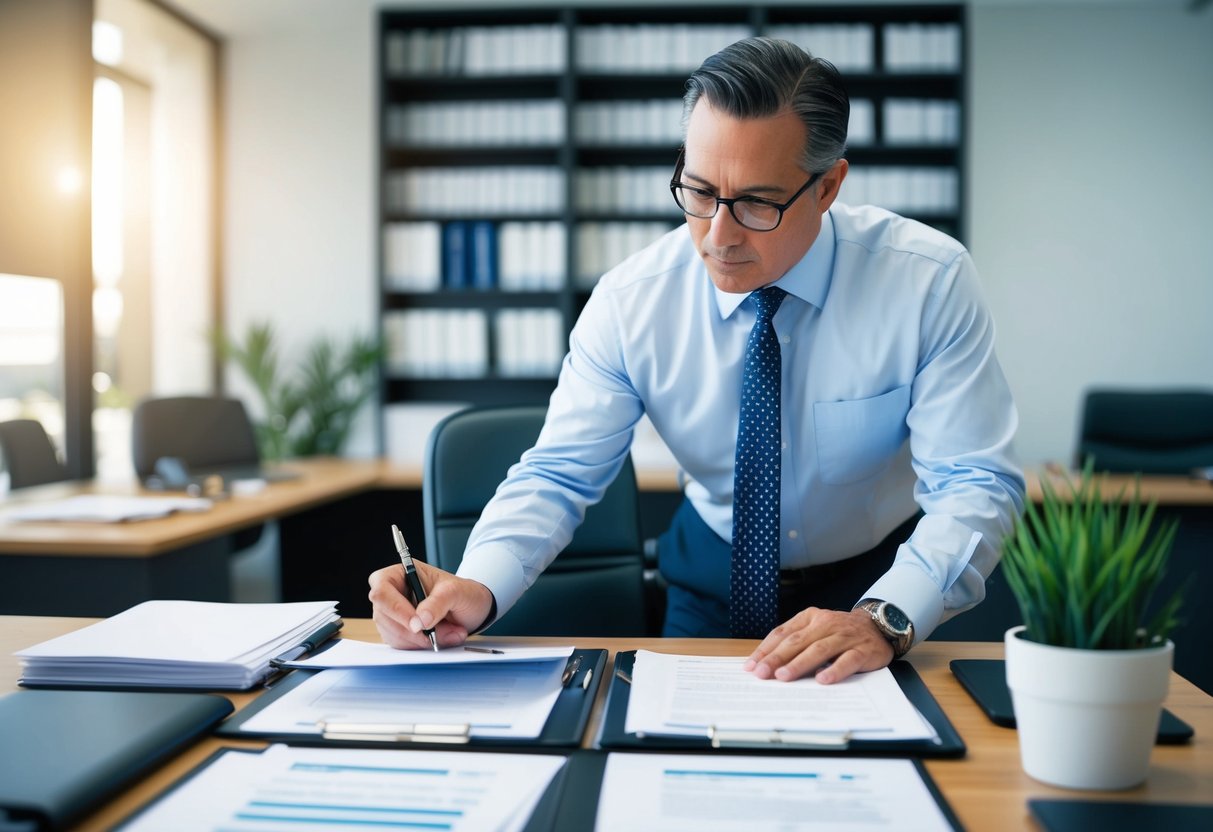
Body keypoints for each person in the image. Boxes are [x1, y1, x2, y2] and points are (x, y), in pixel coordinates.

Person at [368, 36, 1025, 684]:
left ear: (827, 188)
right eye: (699, 191)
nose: (718, 235)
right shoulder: (633, 300)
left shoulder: (924, 281)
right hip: (712, 583)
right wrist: (475, 586)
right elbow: (561, 472)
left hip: (875, 579)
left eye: (756, 204)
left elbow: (973, 482)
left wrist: (886, 616)